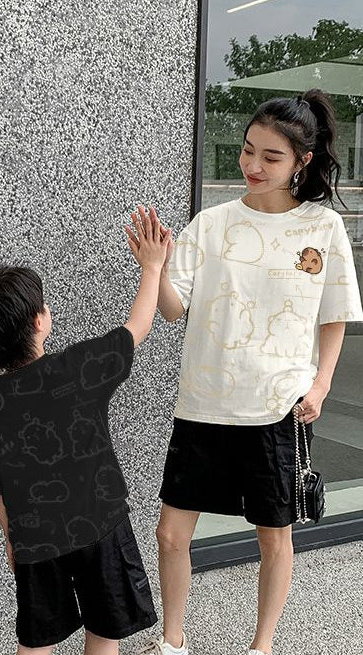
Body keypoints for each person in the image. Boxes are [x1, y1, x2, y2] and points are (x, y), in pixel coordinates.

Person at [137, 89, 363, 655]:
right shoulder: (212, 224)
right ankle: (172, 640)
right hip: (204, 401)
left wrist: (321, 384)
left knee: (273, 536)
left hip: (277, 404)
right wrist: (154, 267)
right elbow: (173, 309)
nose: (253, 165)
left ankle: (261, 646)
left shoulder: (322, 228)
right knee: (170, 533)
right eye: (247, 150)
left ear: (302, 161)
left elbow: (334, 315)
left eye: (271, 156)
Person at [0, 211, 169, 655]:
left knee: (37, 639)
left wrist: (13, 542)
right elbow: (139, 326)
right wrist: (152, 266)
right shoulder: (80, 367)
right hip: (102, 525)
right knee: (105, 629)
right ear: (39, 322)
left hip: (34, 542)